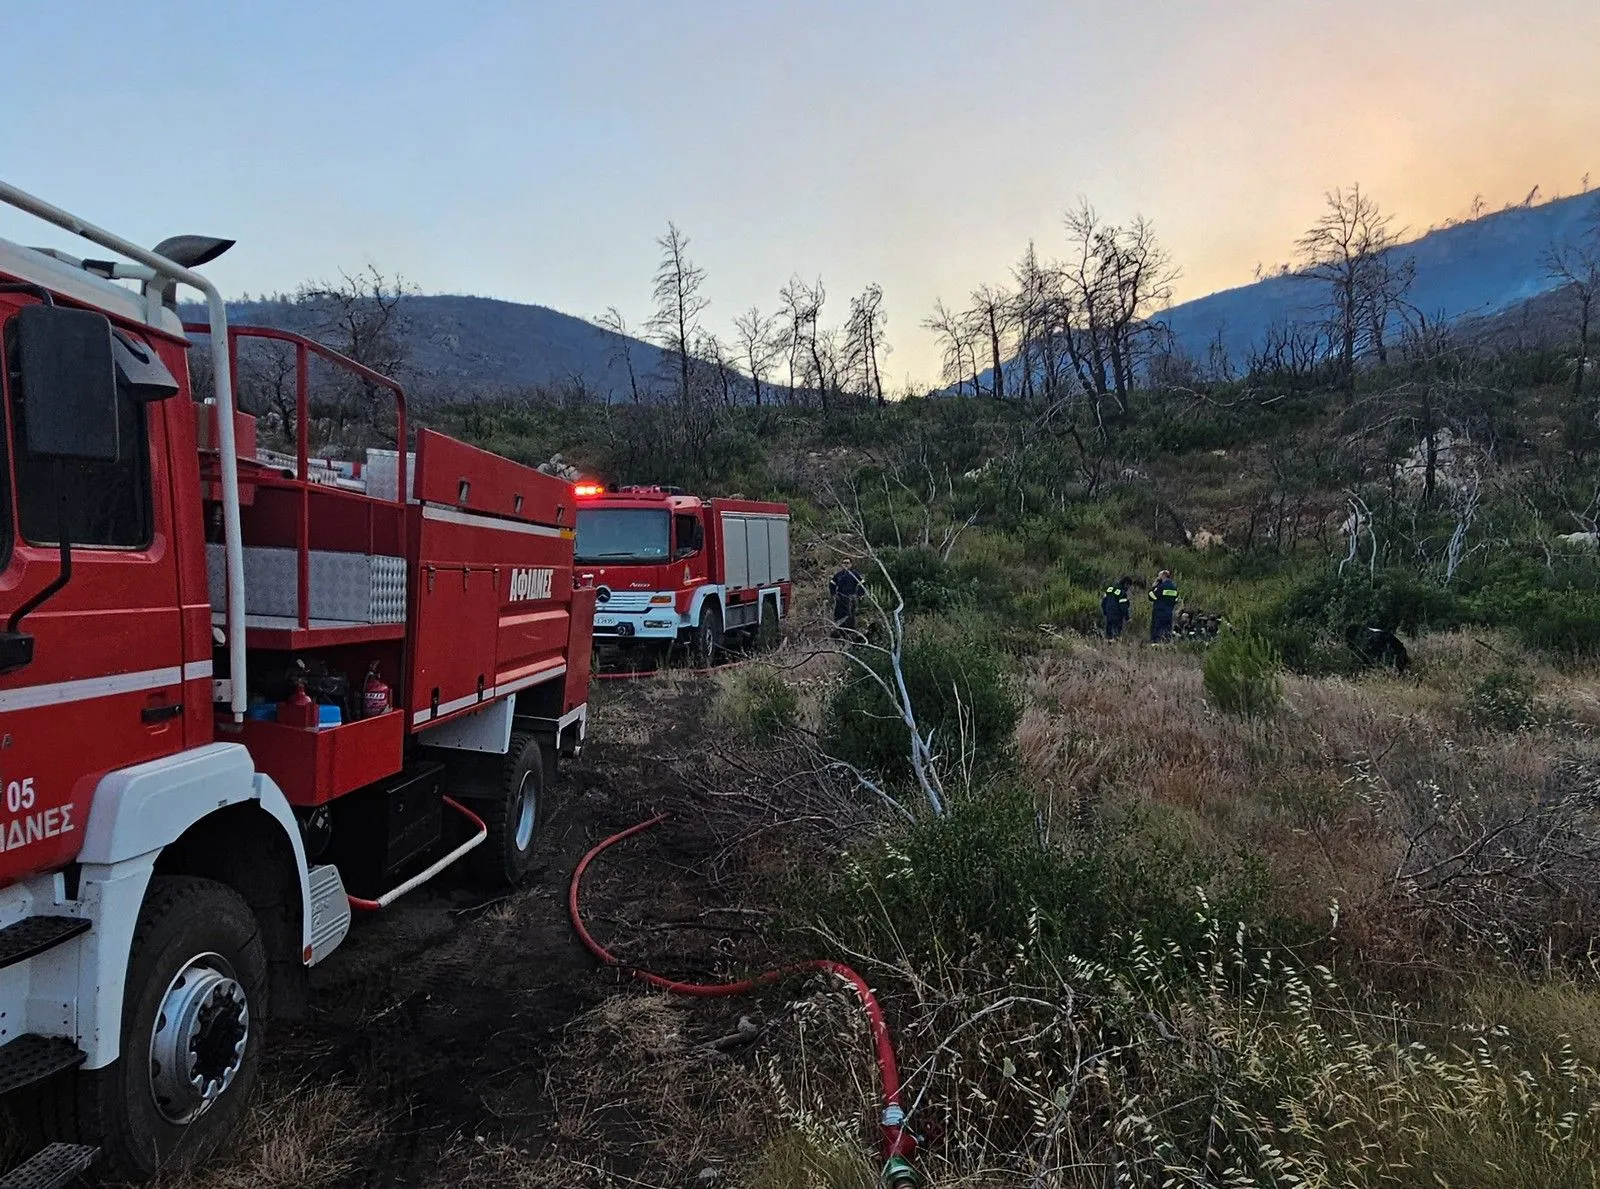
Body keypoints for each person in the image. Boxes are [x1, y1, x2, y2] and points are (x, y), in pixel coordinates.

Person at [829, 562, 865, 636]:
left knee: (851, 615)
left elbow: (862, 583)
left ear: (851, 564)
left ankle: (850, 632)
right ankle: (840, 631)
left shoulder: (855, 574)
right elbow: (832, 583)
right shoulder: (839, 574)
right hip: (840, 598)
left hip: (851, 597)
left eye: (847, 563)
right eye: (844, 563)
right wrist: (833, 594)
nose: (845, 564)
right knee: (839, 615)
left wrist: (860, 594)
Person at [1148, 569, 1179, 643]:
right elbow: (1176, 600)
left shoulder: (1161, 587)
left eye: (1159, 576)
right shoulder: (1174, 587)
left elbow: (1152, 597)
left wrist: (1153, 588)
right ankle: (1166, 644)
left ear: (1163, 576)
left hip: (1159, 612)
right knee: (1167, 630)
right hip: (1169, 612)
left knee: (1157, 630)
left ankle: (1155, 644)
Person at [1101, 575, 1132, 639]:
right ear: (1126, 584)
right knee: (1116, 634)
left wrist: (1105, 612)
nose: (1128, 588)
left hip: (1108, 614)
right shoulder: (1122, 593)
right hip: (1117, 616)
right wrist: (1127, 618)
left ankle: (1107, 646)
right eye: (1129, 586)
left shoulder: (1109, 589)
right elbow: (1123, 606)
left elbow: (1103, 602)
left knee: (1108, 634)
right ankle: (1115, 645)